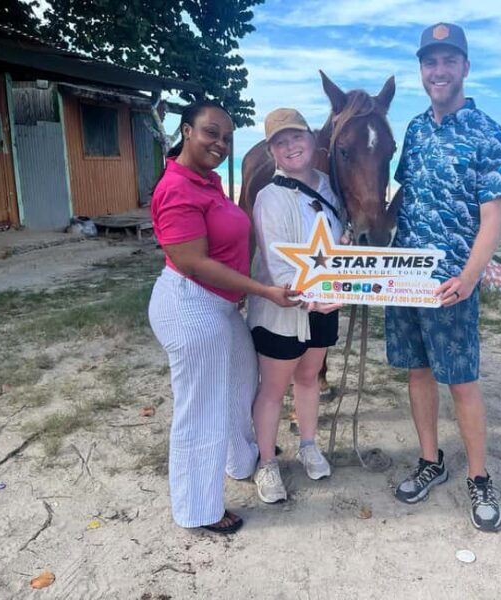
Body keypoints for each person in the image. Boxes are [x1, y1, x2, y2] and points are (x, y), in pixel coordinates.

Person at [148, 100, 299, 534]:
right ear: (186, 131)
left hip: (217, 305)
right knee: (202, 409)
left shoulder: (206, 181)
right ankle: (199, 509)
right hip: (191, 303)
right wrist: (261, 290)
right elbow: (193, 261)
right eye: (211, 132)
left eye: (228, 138)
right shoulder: (176, 187)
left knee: (240, 383)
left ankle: (241, 459)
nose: (220, 143)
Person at [385, 23, 501, 531]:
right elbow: (400, 200)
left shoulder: (487, 131)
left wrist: (469, 275)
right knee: (417, 373)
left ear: (464, 67)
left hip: (450, 283)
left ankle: (479, 477)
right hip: (403, 279)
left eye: (447, 61)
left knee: (461, 382)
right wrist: (352, 255)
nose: (438, 71)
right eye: (429, 62)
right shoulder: (414, 130)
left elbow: (493, 215)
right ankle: (430, 461)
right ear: (422, 70)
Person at [248, 108, 346, 503]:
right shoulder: (269, 197)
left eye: (296, 137)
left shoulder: (329, 186)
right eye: (280, 141)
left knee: (309, 378)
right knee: (272, 389)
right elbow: (276, 262)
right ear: (272, 151)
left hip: (325, 304)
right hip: (282, 311)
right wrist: (311, 297)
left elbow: (338, 245)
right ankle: (268, 462)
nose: (291, 146)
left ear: (311, 139)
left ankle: (308, 444)